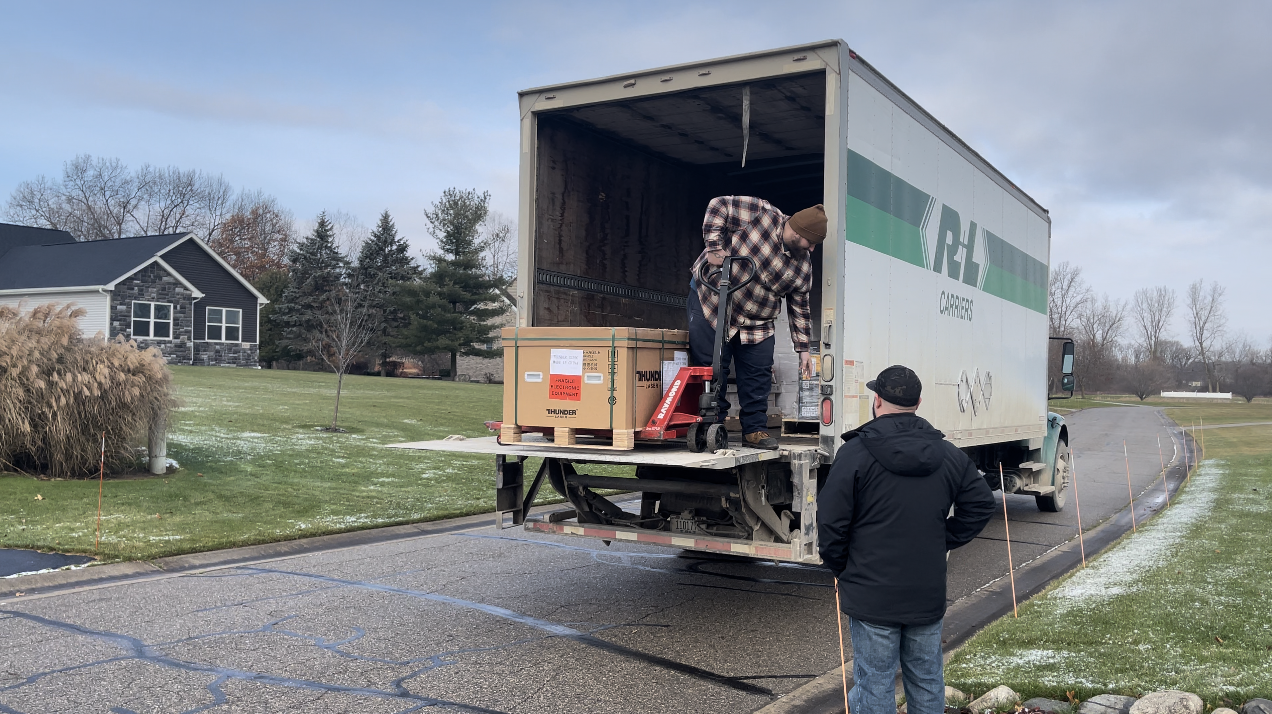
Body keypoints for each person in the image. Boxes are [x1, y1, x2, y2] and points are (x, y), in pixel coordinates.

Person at [816, 365, 995, 714]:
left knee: (875, 685)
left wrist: (841, 567)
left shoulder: (855, 454)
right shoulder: (948, 455)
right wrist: (944, 537)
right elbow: (981, 504)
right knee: (927, 681)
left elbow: (830, 523)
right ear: (918, 403)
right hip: (924, 594)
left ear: (877, 401)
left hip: (871, 594)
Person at [687, 196, 826, 450]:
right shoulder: (761, 213)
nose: (812, 249)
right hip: (712, 301)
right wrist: (715, 246)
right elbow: (717, 206)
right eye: (811, 242)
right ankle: (712, 425)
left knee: (759, 373)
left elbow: (800, 306)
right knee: (712, 366)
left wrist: (803, 349)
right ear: (797, 231)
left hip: (757, 323)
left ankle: (755, 430)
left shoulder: (802, 266)